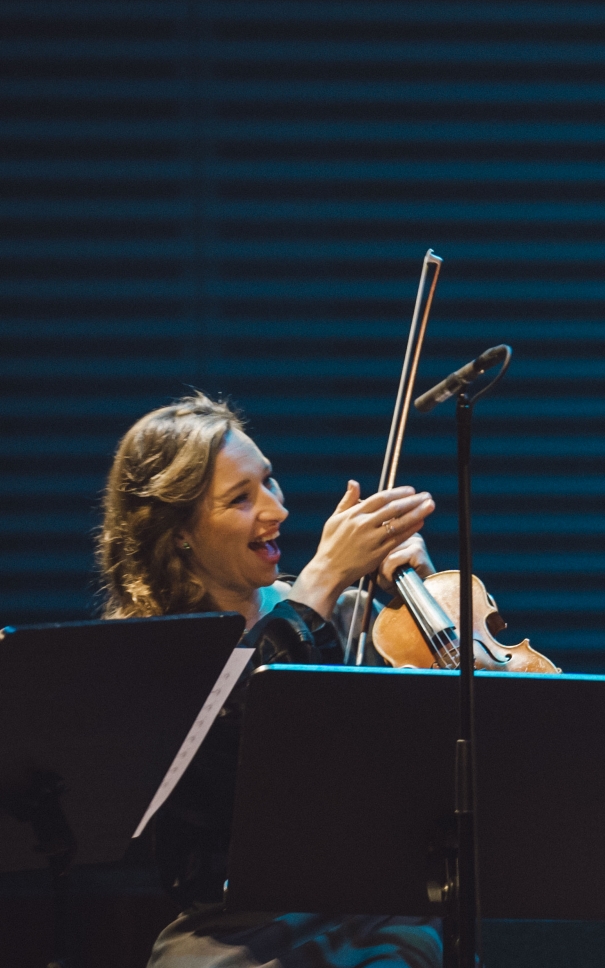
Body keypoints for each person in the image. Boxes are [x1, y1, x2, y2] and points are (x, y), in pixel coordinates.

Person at [100, 393, 444, 967]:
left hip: (377, 912)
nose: (277, 509)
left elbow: (446, 750)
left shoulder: (343, 616)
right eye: (240, 498)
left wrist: (426, 603)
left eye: (268, 481)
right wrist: (320, 582)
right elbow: (221, 765)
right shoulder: (150, 657)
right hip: (234, 929)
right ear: (180, 530)